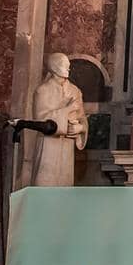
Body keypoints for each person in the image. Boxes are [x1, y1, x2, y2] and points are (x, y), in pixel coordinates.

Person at [22, 53, 87, 187]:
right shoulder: (43, 90)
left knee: (63, 191)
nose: (68, 68)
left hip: (67, 146)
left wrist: (80, 128)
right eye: (64, 64)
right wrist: (67, 110)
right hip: (48, 145)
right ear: (54, 66)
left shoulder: (75, 91)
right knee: (44, 185)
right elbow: (41, 120)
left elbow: (82, 118)